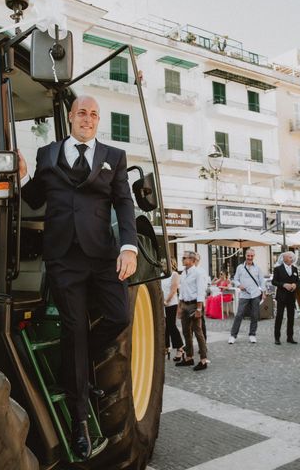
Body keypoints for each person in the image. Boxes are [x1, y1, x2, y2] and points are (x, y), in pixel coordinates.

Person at [19, 95, 137, 460]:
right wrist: (23, 175)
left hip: (101, 255)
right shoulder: (47, 154)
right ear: (71, 117)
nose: (87, 118)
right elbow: (35, 198)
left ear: (98, 121)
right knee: (72, 332)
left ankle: (82, 360)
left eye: (94, 114)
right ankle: (80, 423)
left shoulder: (114, 157)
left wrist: (129, 246)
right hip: (62, 258)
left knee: (119, 316)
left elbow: (124, 202)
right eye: (82, 112)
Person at [176, 251, 208, 370]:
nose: (182, 259)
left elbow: (201, 291)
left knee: (198, 332)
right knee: (186, 332)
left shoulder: (198, 273)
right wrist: (180, 307)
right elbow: (182, 291)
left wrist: (199, 308)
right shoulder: (184, 273)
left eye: (184, 258)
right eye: (182, 257)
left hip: (195, 305)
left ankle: (203, 360)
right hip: (185, 304)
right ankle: (189, 357)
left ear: (193, 260)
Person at [229, 248, 266, 344]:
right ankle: (233, 335)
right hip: (244, 295)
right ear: (245, 256)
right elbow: (235, 279)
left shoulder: (257, 268)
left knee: (254, 315)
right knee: (239, 314)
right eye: (248, 256)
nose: (250, 257)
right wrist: (239, 285)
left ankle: (252, 334)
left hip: (255, 294)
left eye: (251, 256)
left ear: (254, 256)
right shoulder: (240, 267)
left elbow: (262, 281)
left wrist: (264, 292)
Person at [272, 251, 300, 344]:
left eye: (292, 257)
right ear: (284, 258)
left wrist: (295, 285)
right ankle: (277, 337)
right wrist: (283, 284)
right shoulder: (278, 269)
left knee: (291, 317)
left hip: (291, 296)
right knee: (279, 316)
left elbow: (297, 281)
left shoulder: (295, 269)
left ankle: (290, 337)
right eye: (290, 257)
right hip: (281, 296)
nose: (292, 259)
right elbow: (274, 282)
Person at [162, 257, 184, 361]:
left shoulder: (174, 274)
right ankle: (166, 347)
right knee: (164, 326)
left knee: (171, 326)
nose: (162, 265)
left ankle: (180, 348)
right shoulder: (162, 275)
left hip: (171, 304)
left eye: (164, 263)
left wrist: (166, 301)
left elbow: (173, 289)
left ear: (170, 264)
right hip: (162, 304)